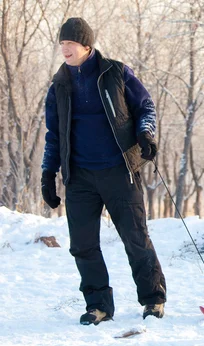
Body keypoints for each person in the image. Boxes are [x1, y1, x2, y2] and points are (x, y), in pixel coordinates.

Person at [41, 17, 166, 325]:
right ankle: (98, 306)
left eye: (70, 44)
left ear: (86, 45)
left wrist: (146, 133)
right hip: (80, 175)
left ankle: (153, 300)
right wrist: (48, 172)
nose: (65, 50)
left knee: (135, 238)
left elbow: (145, 106)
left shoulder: (116, 73)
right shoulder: (59, 85)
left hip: (119, 170)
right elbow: (54, 134)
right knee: (82, 245)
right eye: (61, 45)